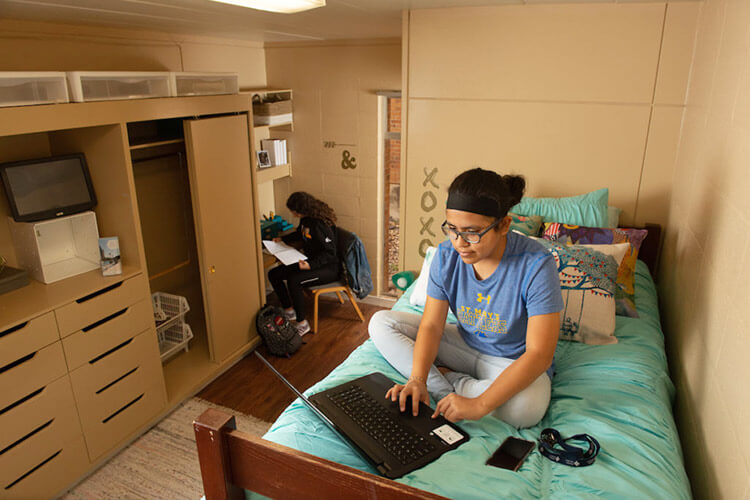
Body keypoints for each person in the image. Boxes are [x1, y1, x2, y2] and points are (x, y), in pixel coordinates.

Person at [368, 168, 563, 428]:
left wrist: (478, 405)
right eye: (452, 229)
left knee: (526, 409)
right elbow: (432, 325)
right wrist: (417, 379)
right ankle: (445, 390)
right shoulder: (446, 256)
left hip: (511, 361)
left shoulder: (536, 264)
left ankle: (453, 384)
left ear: (504, 225)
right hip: (464, 344)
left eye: (473, 232)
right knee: (381, 323)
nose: (460, 242)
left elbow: (540, 354)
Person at [268, 192, 339, 336]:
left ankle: (302, 323)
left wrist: (310, 265)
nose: (293, 214)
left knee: (295, 280)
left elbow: (330, 253)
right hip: (308, 261)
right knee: (274, 274)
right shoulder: (306, 219)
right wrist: (282, 239)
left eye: (294, 211)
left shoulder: (319, 224)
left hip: (328, 268)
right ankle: (289, 310)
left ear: (302, 209)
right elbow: (301, 234)